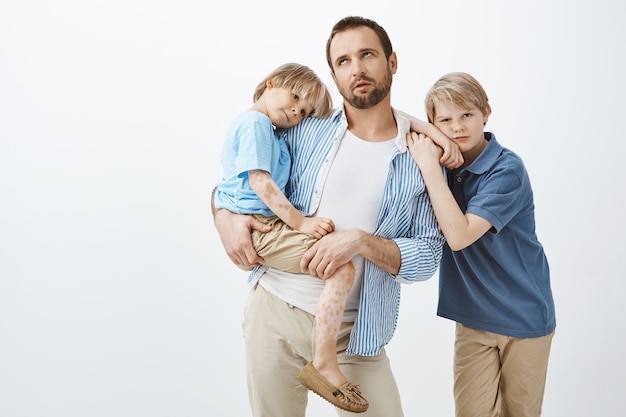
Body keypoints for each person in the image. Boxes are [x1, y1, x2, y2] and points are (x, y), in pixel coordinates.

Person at [212, 16, 462, 417]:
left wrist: (361, 241)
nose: (357, 68)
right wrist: (221, 214)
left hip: (354, 332)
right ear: (333, 74)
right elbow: (242, 175)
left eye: (367, 55)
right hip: (274, 313)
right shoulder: (303, 127)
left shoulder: (422, 157)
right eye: (343, 61)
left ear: (392, 62)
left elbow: (428, 257)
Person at [214, 62, 369, 412]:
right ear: (271, 83)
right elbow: (260, 181)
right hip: (263, 227)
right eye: (294, 97)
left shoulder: (271, 130)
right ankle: (325, 364)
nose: (295, 111)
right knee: (342, 268)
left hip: (264, 223)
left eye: (303, 111)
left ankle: (323, 360)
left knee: (339, 265)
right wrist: (300, 223)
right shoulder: (255, 123)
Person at [407, 72, 556, 417]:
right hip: (473, 319)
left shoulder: (507, 170)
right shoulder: (446, 160)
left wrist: (430, 167)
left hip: (524, 317)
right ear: (432, 124)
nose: (457, 127)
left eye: (467, 115)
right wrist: (433, 141)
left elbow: (459, 236)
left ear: (486, 113)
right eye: (444, 120)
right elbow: (390, 119)